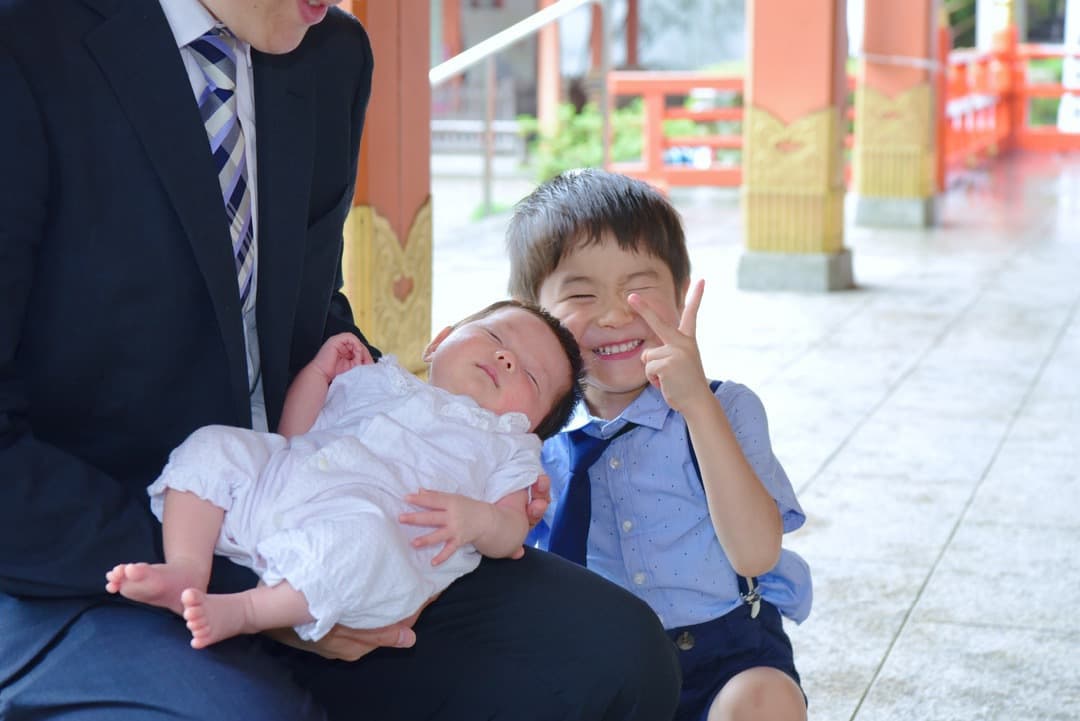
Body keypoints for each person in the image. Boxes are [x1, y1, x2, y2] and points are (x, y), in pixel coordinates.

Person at [0, 1, 682, 718]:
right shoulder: (25, 43)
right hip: (105, 550)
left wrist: (432, 435)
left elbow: (311, 316)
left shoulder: (329, 54)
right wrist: (260, 578)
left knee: (620, 658)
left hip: (329, 505)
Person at [507, 168, 813, 721]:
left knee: (765, 701)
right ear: (532, 313)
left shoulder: (728, 408)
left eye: (638, 288)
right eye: (580, 293)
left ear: (678, 293)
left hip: (726, 654)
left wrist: (697, 406)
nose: (615, 313)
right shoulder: (528, 436)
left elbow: (755, 554)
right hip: (597, 663)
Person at [106, 300, 584, 649]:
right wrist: (318, 376)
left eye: (531, 375)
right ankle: (187, 566)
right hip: (284, 487)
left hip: (366, 536)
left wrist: (478, 520)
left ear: (534, 426)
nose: (505, 358)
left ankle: (247, 610)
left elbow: (511, 532)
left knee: (364, 540)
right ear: (440, 341)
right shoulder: (381, 379)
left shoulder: (507, 445)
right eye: (497, 337)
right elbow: (297, 435)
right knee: (216, 445)